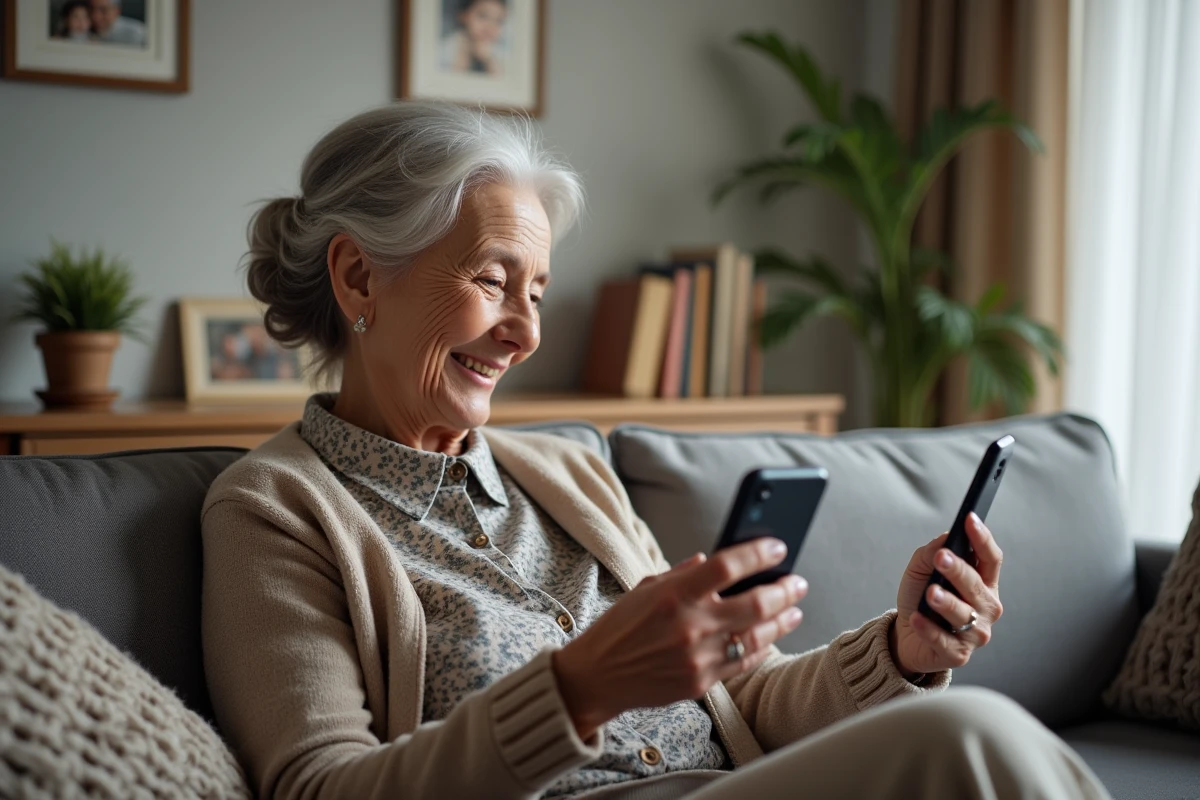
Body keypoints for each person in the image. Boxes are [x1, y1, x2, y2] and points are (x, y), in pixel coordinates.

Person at [201, 100, 1112, 800]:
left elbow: (745, 700)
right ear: (360, 275)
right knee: (973, 742)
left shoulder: (565, 474)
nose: (525, 333)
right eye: (492, 281)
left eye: (540, 293)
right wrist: (579, 692)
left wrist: (904, 655)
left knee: (963, 724)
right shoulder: (275, 508)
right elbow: (319, 788)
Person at [440, 0, 507, 76]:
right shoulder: (449, 45)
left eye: (499, 21)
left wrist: (489, 60)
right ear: (463, 16)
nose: (490, 26)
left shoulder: (500, 52)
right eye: (483, 16)